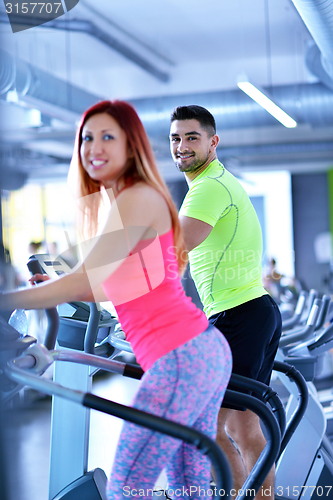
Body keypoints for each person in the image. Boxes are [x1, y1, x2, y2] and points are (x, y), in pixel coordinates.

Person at [0, 100, 232, 500]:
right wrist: (49, 288)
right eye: (88, 138)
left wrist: (9, 300)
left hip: (179, 358)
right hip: (199, 353)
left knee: (129, 487)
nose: (95, 147)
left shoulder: (135, 197)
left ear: (131, 146)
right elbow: (114, 284)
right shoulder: (134, 198)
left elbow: (81, 282)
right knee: (188, 488)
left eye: (108, 136)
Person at [169, 105, 282, 499]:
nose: (182, 146)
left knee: (206, 424)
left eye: (191, 137)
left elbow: (172, 250)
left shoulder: (209, 188)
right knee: (242, 427)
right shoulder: (212, 184)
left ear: (213, 142)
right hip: (252, 311)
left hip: (239, 316)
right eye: (176, 138)